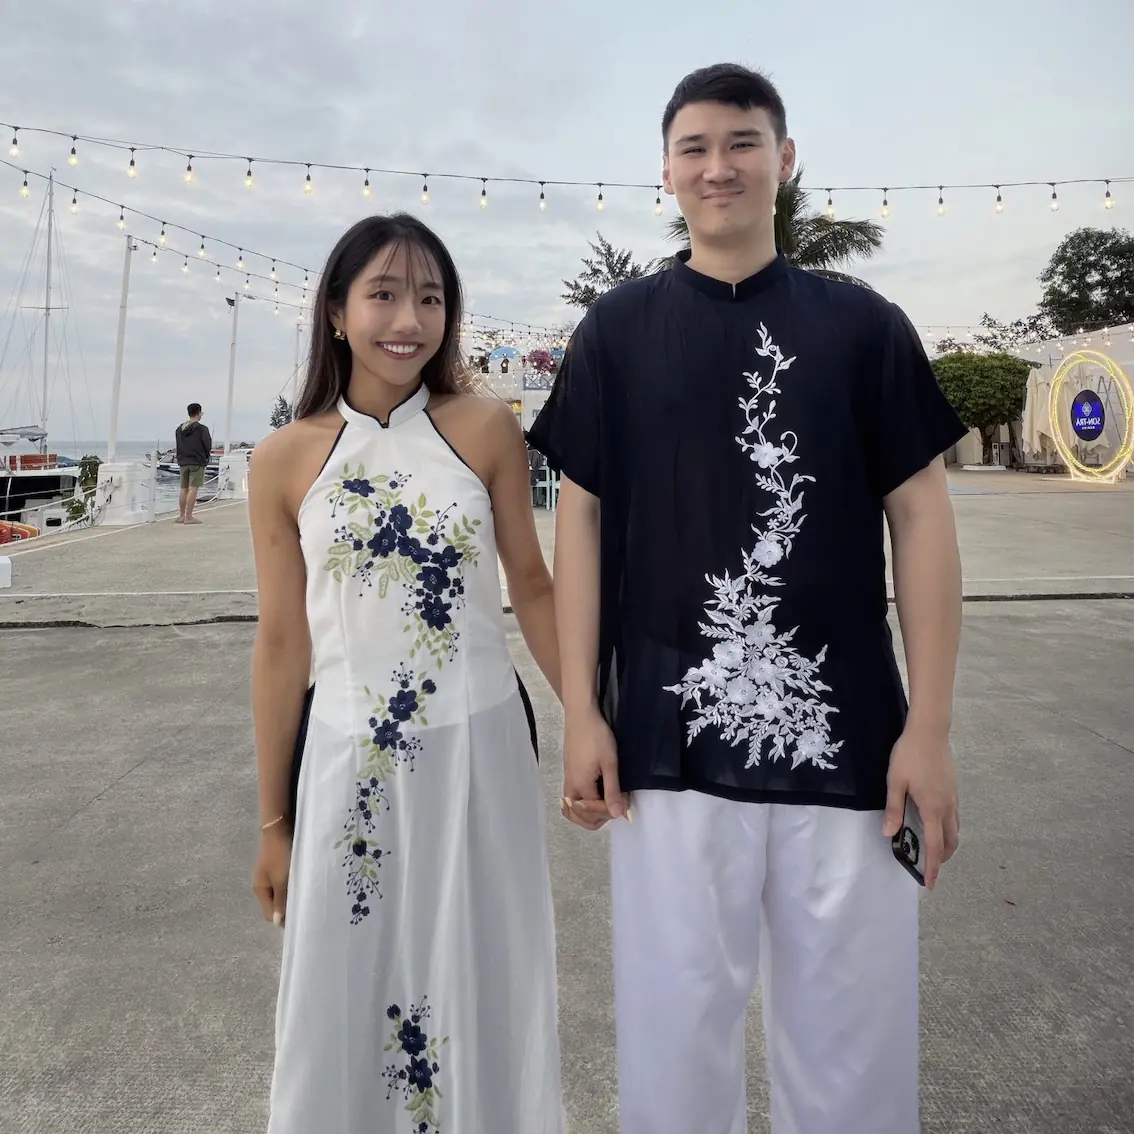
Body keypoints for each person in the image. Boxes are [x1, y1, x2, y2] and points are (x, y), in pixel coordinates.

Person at [526, 63, 968, 1134]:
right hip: (666, 740)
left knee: (853, 1047)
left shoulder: (863, 325)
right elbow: (578, 522)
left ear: (785, 158)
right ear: (666, 170)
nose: (717, 166)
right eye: (694, 147)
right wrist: (582, 709)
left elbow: (921, 518)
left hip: (851, 741)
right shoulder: (615, 331)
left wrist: (930, 729)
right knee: (673, 1041)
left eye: (742, 142)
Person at [248, 213, 564, 1134]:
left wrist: (587, 719)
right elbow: (282, 645)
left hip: (479, 753)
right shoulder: (283, 458)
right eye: (383, 295)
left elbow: (532, 585)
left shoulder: (486, 428)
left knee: (485, 976)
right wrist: (273, 822)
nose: (408, 320)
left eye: (430, 298)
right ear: (336, 312)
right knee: (343, 990)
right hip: (347, 767)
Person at [174, 403, 212, 523]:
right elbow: (207, 445)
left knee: (183, 489)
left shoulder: (179, 429)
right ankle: (189, 517)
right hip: (197, 461)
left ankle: (181, 515)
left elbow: (178, 445)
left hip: (183, 461)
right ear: (199, 413)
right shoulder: (202, 429)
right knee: (193, 488)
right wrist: (205, 457)